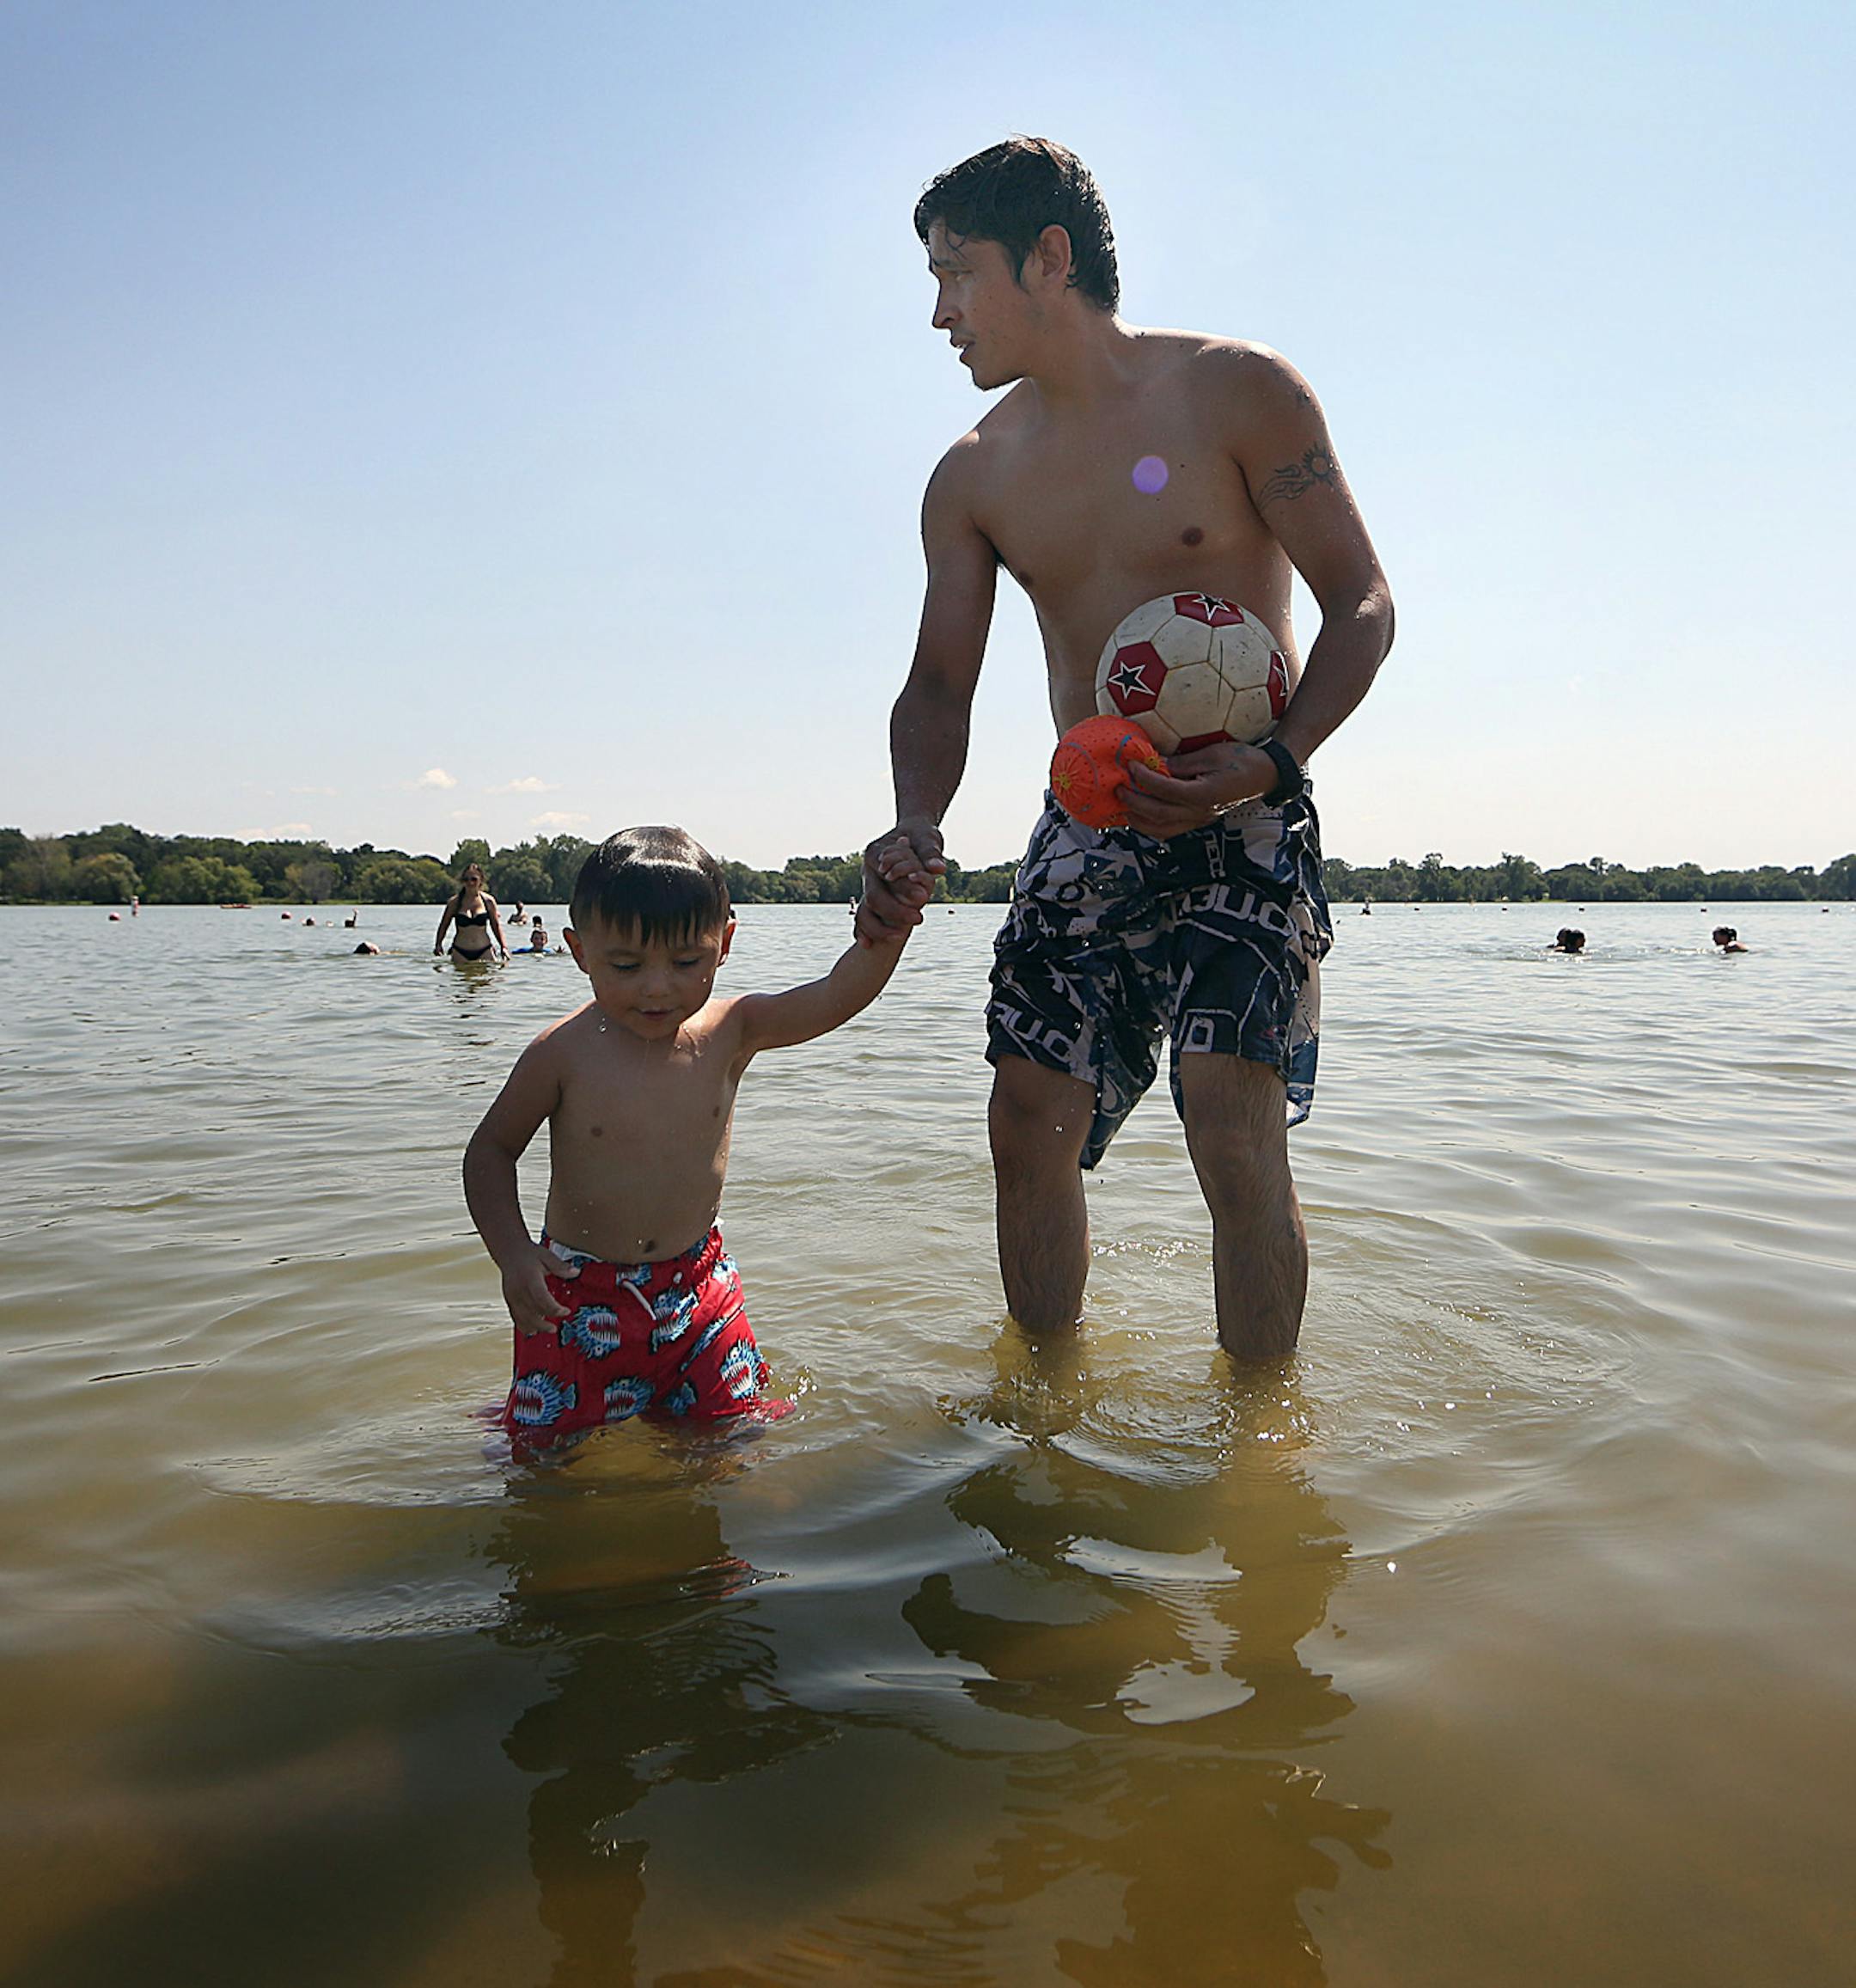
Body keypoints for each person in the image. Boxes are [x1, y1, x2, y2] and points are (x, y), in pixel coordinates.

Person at [858, 138, 1394, 1360]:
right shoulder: (972, 476)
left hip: (1247, 804)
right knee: (1024, 1116)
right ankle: (1045, 1409)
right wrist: (914, 821)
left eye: (958, 273)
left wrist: (1277, 761)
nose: (941, 313)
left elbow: (1362, 603)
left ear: (1049, 258)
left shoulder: (1241, 392)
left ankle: (1259, 1432)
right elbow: (938, 686)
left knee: (1230, 1119)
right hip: (1088, 817)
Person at [464, 826, 907, 1451]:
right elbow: (490, 1151)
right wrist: (513, 1254)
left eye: (685, 962)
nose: (657, 987)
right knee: (546, 1462)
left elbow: (836, 996)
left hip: (701, 1289)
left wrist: (887, 931)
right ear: (579, 950)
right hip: (578, 1296)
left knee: (731, 1442)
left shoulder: (734, 1029)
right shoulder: (560, 1054)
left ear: (723, 944)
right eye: (626, 965)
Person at [434, 862, 508, 962]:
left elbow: (496, 926)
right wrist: (438, 944)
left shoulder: (488, 901)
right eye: (466, 879)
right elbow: (444, 925)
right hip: (460, 951)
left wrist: (504, 947)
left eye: (474, 879)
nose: (470, 883)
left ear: (481, 880)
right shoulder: (454, 903)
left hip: (484, 950)